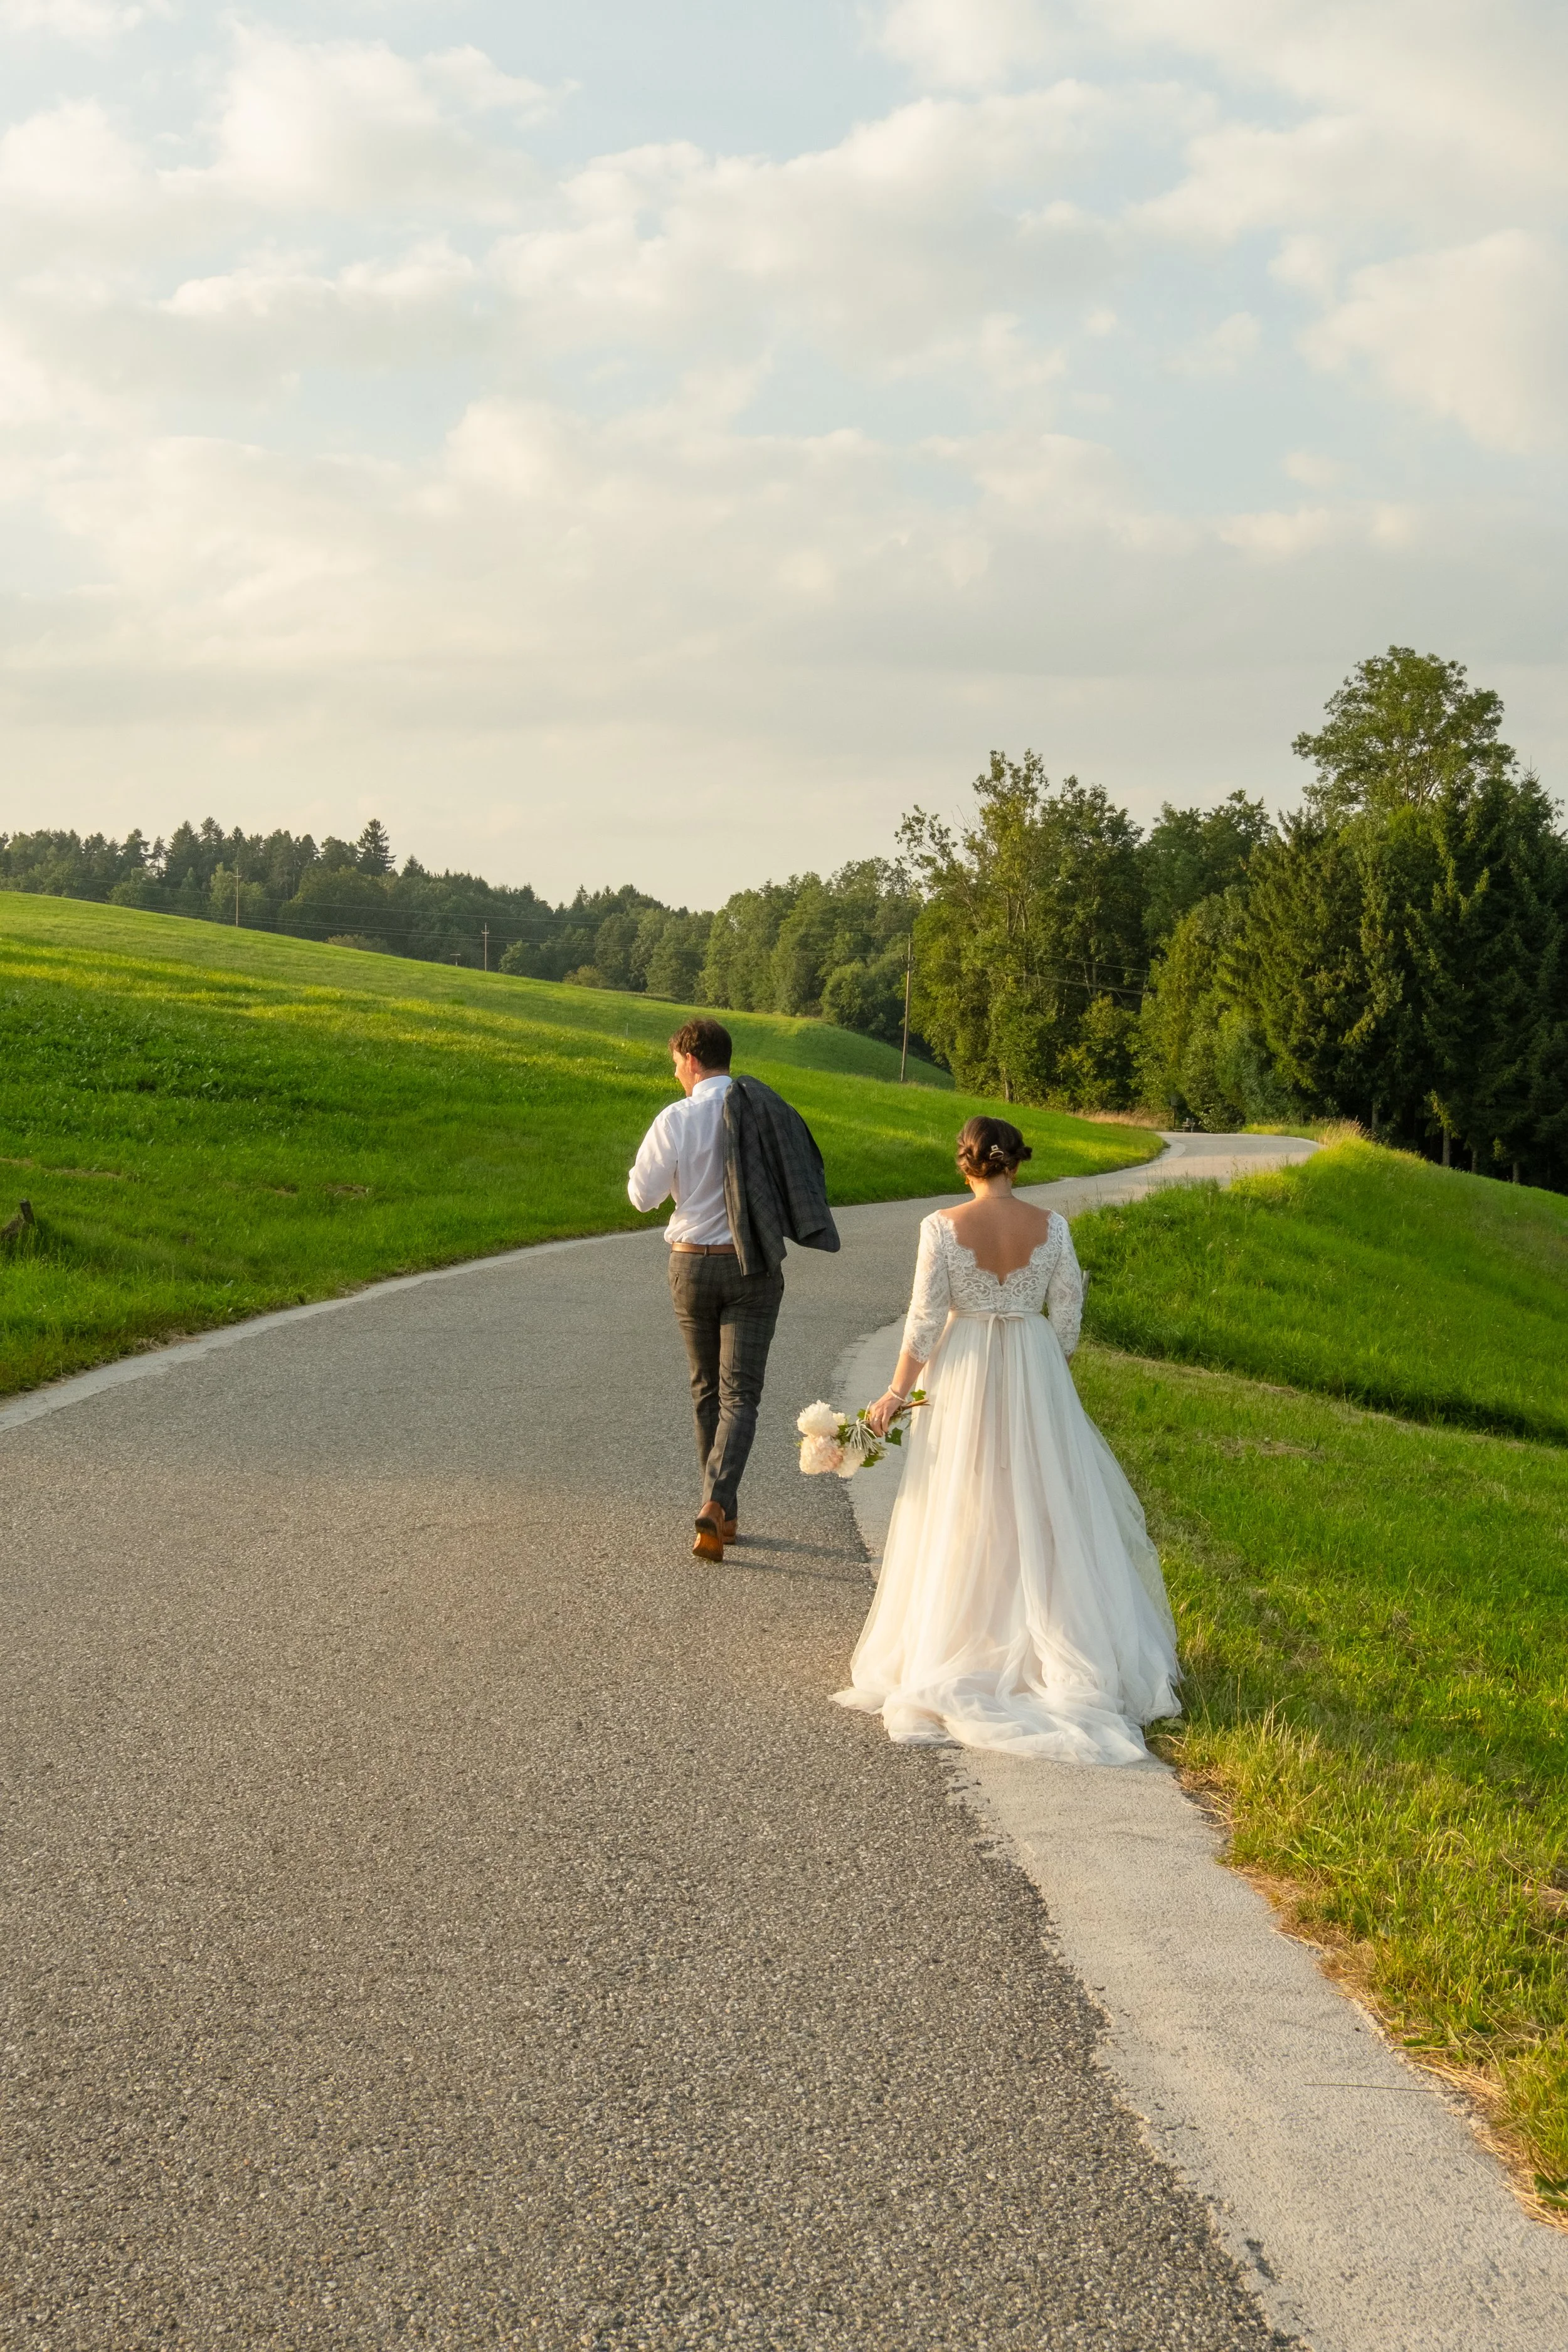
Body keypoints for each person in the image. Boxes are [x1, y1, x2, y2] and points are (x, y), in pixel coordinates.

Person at [834, 1115, 1180, 1762]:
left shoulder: (940, 1227)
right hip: (1033, 1361)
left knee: (962, 1499)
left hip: (962, 1368)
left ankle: (964, 1629)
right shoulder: (1053, 1227)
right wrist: (1048, 1366)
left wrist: (896, 1393)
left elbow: (924, 1320)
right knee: (1044, 1502)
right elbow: (1069, 1313)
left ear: (964, 1166)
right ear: (1015, 1164)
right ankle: (1051, 1635)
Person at [628, 1017, 839, 1562]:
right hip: (753, 1269)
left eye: (677, 1063)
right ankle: (721, 1506)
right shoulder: (765, 1111)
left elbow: (643, 1196)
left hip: (691, 1268)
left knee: (706, 1391)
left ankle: (719, 1510)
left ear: (693, 1060)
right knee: (740, 1395)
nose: (676, 1074)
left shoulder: (676, 1118)